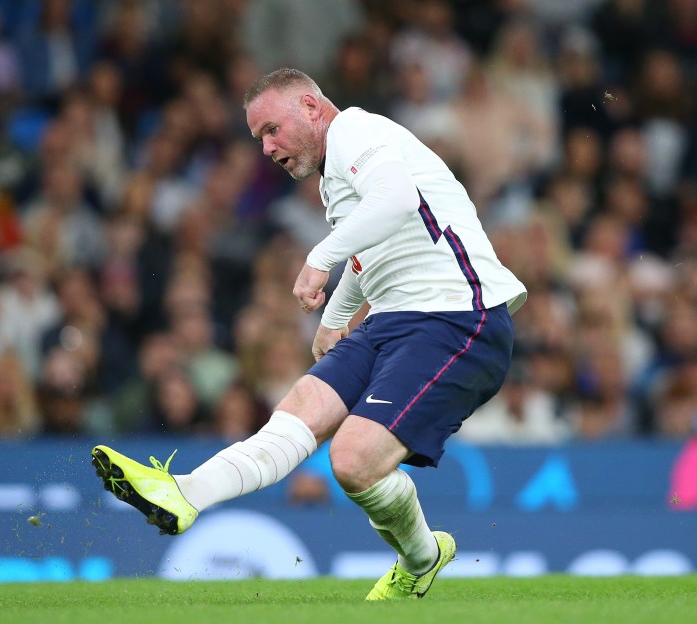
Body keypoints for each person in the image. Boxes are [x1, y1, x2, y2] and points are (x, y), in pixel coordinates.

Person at [90, 68, 527, 600]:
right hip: (393, 320)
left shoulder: (357, 131)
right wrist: (333, 319)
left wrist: (319, 258)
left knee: (352, 460)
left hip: (458, 315)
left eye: (272, 130)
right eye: (259, 140)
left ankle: (423, 557)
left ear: (311, 107)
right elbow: (371, 252)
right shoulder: (337, 175)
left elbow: (395, 201)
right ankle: (184, 493)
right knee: (299, 409)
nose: (268, 149)